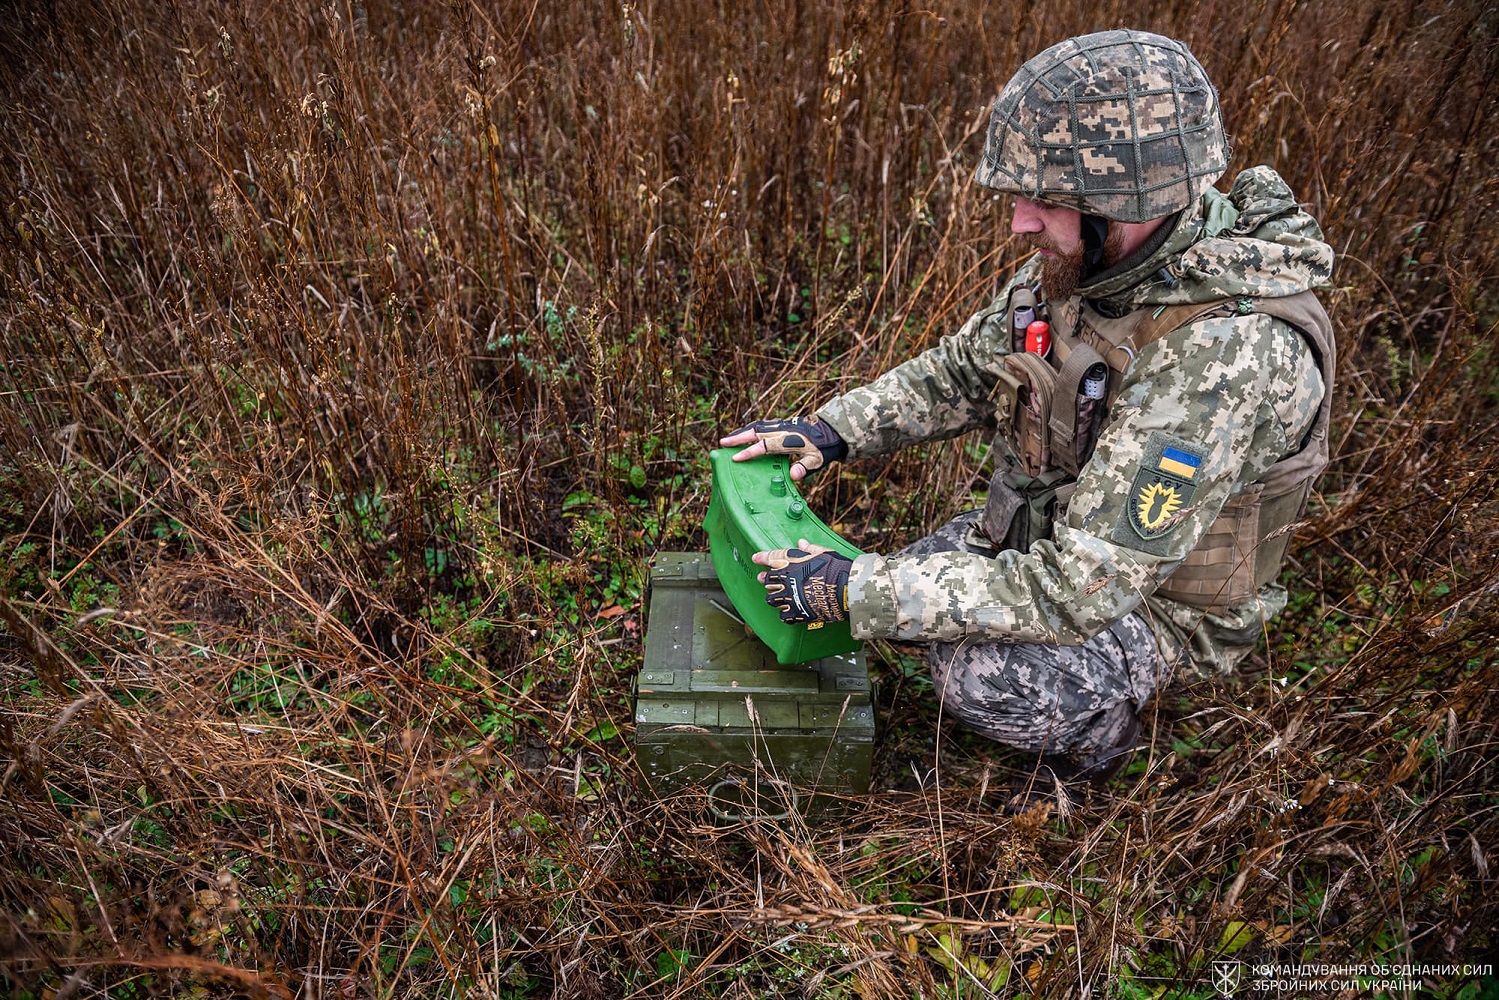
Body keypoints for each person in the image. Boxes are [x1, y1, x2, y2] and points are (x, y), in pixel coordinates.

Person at [719, 29, 1335, 787]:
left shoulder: (1219, 359)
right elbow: (963, 370)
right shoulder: (1095, 266)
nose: (1019, 221)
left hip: (1157, 609)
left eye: (1044, 200)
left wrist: (856, 590)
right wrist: (830, 432)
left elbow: (1084, 588)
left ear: (1125, 202)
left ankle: (1105, 742)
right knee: (903, 592)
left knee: (974, 674)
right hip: (1050, 540)